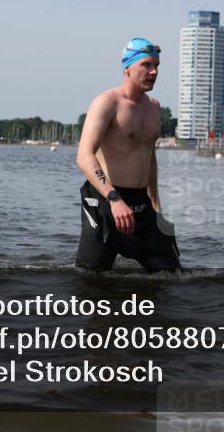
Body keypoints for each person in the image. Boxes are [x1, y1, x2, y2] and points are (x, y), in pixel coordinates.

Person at [74, 38, 180, 272]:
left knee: (171, 275)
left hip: (141, 202)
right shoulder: (107, 103)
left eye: (157, 66)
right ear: (127, 68)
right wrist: (114, 199)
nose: (154, 72)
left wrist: (156, 204)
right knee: (90, 277)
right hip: (105, 200)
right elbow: (84, 156)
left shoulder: (154, 107)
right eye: (146, 65)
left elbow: (149, 156)